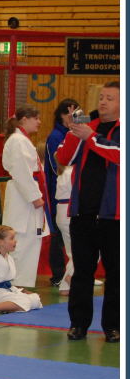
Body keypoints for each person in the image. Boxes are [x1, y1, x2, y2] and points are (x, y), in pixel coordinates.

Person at [55, 81, 120, 343]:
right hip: (83, 213)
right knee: (82, 272)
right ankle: (78, 324)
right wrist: (74, 131)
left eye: (110, 98)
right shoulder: (86, 127)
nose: (103, 102)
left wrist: (90, 137)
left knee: (116, 274)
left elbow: (118, 154)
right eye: (101, 97)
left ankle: (113, 326)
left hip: (114, 216)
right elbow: (63, 159)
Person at [2, 106, 48, 288]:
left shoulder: (22, 140)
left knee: (31, 240)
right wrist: (34, 197)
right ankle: (14, 284)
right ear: (24, 119)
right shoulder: (17, 141)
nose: (39, 122)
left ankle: (21, 284)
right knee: (20, 240)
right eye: (36, 118)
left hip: (27, 193)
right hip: (23, 196)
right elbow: (21, 171)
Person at [44, 98, 80, 286]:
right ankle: (60, 275)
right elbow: (56, 164)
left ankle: (73, 274)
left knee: (72, 243)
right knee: (59, 236)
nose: (71, 118)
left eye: (75, 114)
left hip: (69, 195)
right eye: (68, 114)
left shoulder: (74, 134)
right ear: (61, 115)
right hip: (59, 192)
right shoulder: (56, 136)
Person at [50, 142, 74, 296]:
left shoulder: (62, 172)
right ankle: (71, 278)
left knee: (72, 252)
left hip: (62, 211)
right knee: (87, 249)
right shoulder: (72, 171)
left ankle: (65, 286)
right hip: (71, 212)